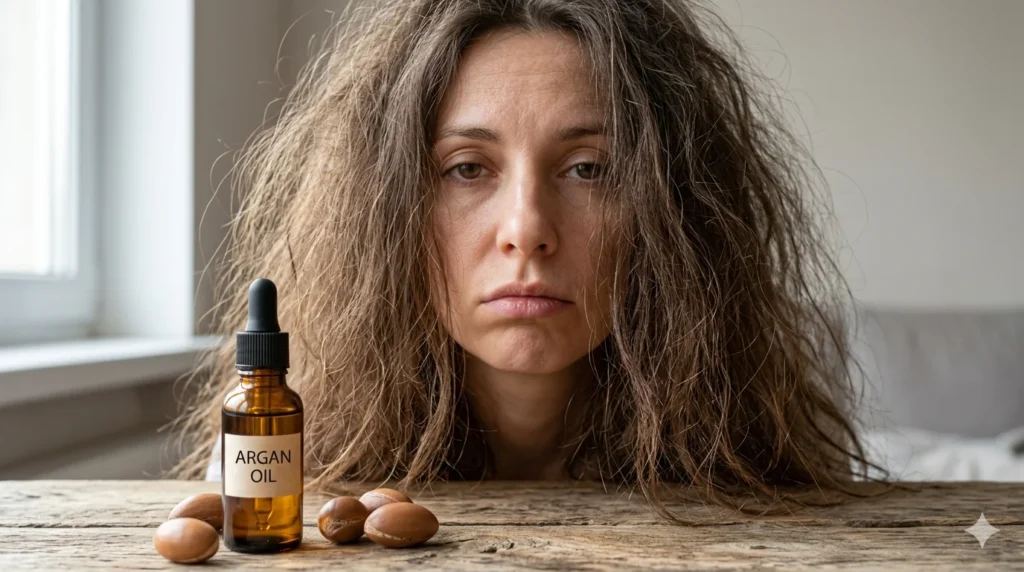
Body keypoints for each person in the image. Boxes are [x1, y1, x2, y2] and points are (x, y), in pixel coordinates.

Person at [167, 0, 896, 521]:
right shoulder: (281, 464)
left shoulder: (755, 478)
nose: (527, 230)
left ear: (677, 214)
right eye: (466, 168)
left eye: (589, 169)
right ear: (382, 216)